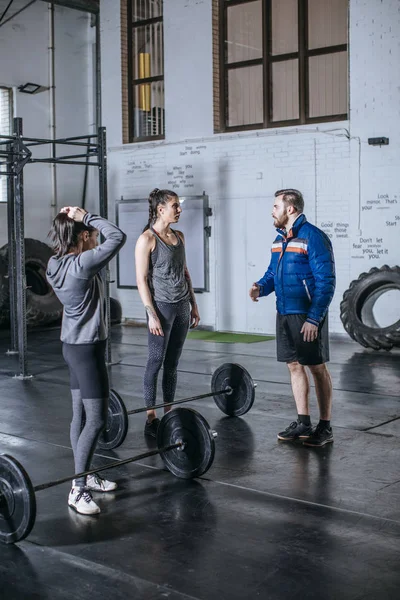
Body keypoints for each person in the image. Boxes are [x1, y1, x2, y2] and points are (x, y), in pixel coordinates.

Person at [47, 207, 126, 515]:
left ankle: (86, 473)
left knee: (79, 416)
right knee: (96, 420)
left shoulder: (54, 263)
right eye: (93, 235)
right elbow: (117, 236)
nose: (97, 239)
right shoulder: (82, 264)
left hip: (71, 345)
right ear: (83, 235)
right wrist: (87, 215)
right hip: (87, 350)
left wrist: (79, 222)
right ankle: (78, 489)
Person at [249, 189, 335, 447]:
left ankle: (325, 426)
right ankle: (303, 423)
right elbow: (272, 274)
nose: (272, 211)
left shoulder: (314, 237)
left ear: (290, 209)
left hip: (307, 314)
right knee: (294, 366)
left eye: (276, 206)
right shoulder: (279, 240)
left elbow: (326, 282)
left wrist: (314, 318)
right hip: (284, 311)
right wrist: (260, 287)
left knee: (317, 368)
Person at [135, 188, 200, 437]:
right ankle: (151, 418)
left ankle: (168, 412)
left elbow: (185, 272)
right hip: (160, 309)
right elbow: (141, 280)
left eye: (178, 205)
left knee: (172, 364)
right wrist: (151, 314)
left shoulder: (180, 237)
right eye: (175, 206)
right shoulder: (147, 240)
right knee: (155, 361)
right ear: (161, 209)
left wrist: (193, 304)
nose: (179, 210)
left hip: (182, 306)